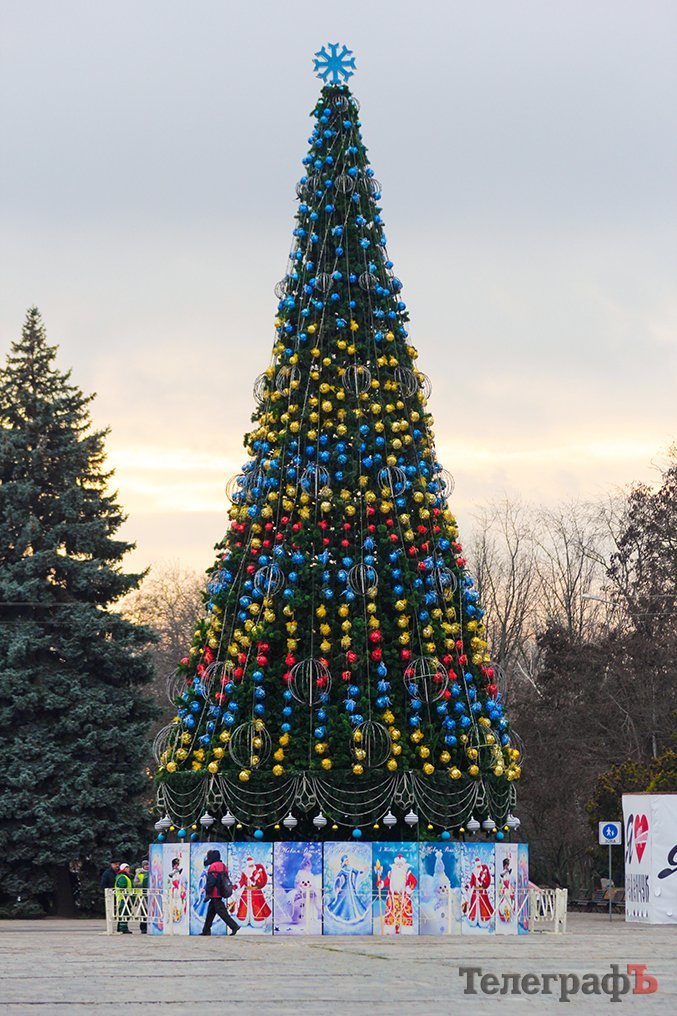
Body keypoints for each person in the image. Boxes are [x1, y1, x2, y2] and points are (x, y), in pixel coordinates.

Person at [201, 850, 240, 937]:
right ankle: (206, 930)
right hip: (221, 892)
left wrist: (208, 893)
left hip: (215, 893)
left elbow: (211, 881)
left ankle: (234, 926)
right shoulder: (223, 866)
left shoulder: (213, 867)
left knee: (222, 912)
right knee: (211, 912)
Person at [114, 863, 133, 934]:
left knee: (123, 912)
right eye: (126, 868)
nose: (128, 869)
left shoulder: (124, 876)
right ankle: (123, 928)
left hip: (124, 897)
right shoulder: (122, 877)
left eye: (128, 867)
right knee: (124, 912)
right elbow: (122, 886)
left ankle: (120, 927)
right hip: (123, 897)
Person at [134, 859, 149, 934]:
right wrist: (143, 883)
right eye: (145, 865)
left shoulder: (151, 873)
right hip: (141, 895)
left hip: (150, 895)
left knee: (149, 911)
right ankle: (143, 927)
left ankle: (148, 926)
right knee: (144, 911)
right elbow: (135, 883)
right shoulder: (139, 873)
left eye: (148, 865)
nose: (147, 866)